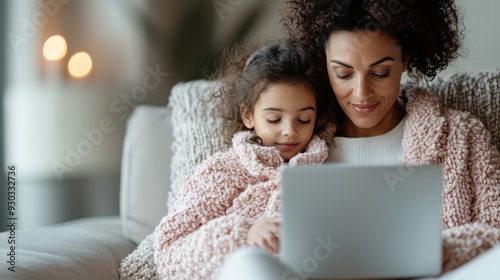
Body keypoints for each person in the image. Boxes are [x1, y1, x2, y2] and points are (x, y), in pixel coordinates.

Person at [216, 0, 500, 279]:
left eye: (380, 73)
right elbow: (176, 244)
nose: (361, 93)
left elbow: (495, 232)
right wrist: (247, 235)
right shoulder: (291, 138)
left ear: (405, 60)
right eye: (343, 73)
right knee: (245, 264)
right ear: (323, 61)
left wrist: (450, 249)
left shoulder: (461, 136)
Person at [153, 40, 335, 280]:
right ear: (248, 115)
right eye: (274, 119)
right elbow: (169, 249)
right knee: (251, 263)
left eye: (303, 120)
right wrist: (244, 234)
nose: (290, 131)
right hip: (244, 271)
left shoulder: (328, 171)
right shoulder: (221, 173)